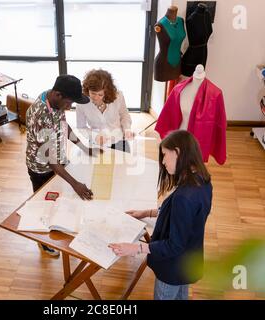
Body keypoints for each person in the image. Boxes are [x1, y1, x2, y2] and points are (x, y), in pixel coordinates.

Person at [109, 130, 212, 300]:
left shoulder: (184, 197)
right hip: (188, 260)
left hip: (172, 267)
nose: (163, 162)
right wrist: (147, 212)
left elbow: (174, 245)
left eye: (164, 155)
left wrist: (135, 248)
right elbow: (185, 217)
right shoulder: (202, 180)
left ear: (177, 152)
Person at [26, 74, 102, 256]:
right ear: (58, 95)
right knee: (44, 206)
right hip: (42, 168)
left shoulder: (55, 100)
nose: (70, 107)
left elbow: (64, 127)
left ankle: (62, 227)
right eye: (69, 103)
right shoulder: (40, 114)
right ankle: (42, 241)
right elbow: (50, 160)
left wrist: (85, 147)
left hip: (59, 161)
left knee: (61, 201)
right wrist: (75, 183)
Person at [76, 69, 133, 153]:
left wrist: (127, 129)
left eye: (100, 94)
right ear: (87, 89)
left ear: (107, 92)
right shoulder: (81, 103)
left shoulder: (118, 96)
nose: (96, 98)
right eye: (93, 93)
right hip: (96, 143)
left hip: (118, 140)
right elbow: (81, 127)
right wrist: (95, 136)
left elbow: (124, 114)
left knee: (122, 165)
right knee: (96, 165)